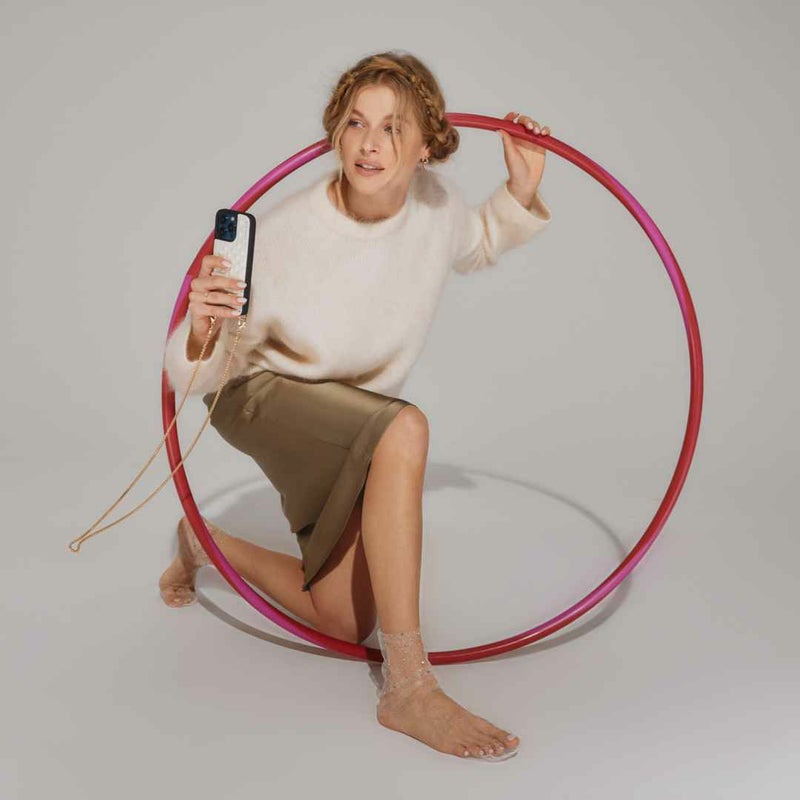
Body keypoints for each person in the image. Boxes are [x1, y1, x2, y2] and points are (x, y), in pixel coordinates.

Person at [159, 50, 552, 761]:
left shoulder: (436, 208)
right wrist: (201, 331)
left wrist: (519, 190)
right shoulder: (286, 231)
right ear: (335, 133)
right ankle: (409, 688)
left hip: (347, 415)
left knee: (341, 619)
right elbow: (208, 366)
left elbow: (477, 242)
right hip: (254, 393)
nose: (369, 144)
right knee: (405, 429)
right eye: (355, 123)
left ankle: (202, 543)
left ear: (427, 145)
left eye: (392, 128)